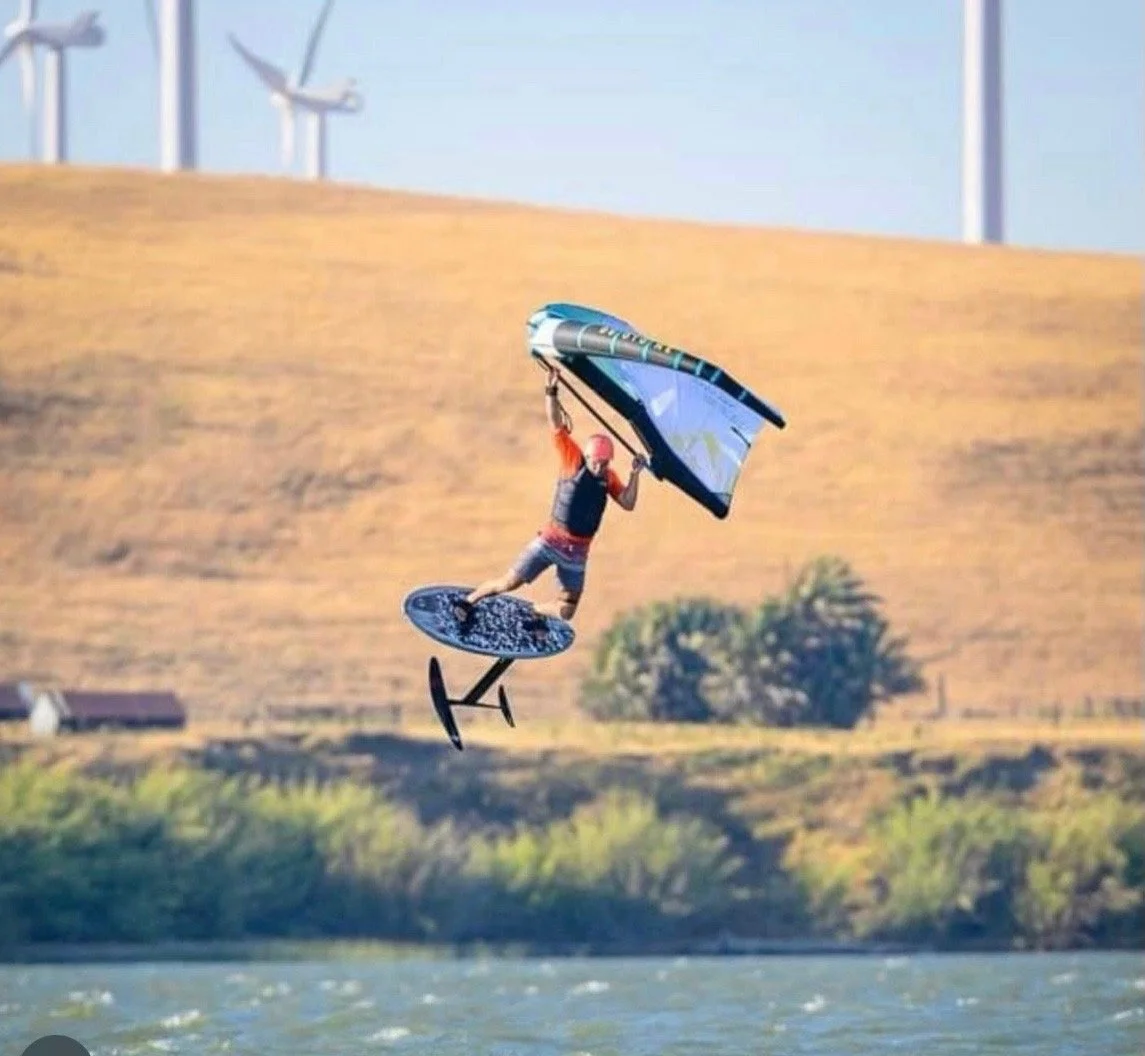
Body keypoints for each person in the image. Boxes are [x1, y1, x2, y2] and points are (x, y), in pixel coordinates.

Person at [453, 365, 647, 637]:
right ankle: (468, 602)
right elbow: (556, 426)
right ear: (589, 457)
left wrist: (635, 474)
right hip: (551, 540)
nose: (601, 467)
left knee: (567, 609)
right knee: (509, 582)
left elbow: (627, 502)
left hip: (577, 553)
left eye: (605, 463)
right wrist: (551, 391)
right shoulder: (573, 460)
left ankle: (535, 612)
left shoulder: (610, 478)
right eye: (598, 462)